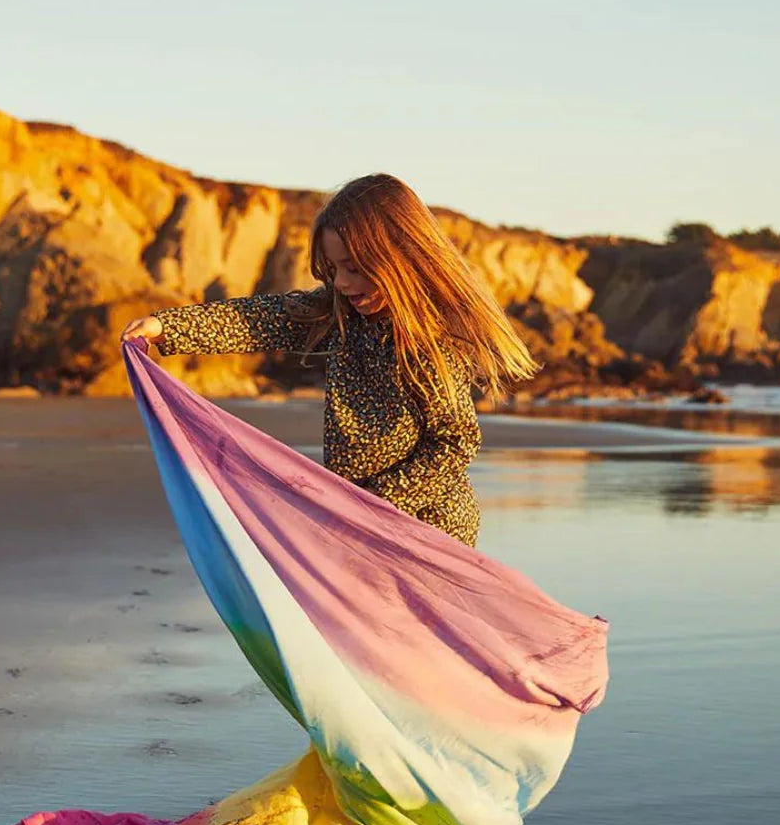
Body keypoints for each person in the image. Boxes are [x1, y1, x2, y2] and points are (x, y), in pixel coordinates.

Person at [121, 173, 536, 546]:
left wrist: (378, 503)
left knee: (397, 631)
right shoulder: (343, 312)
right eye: (335, 269)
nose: (341, 282)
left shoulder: (428, 343)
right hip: (360, 517)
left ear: (399, 260)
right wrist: (167, 326)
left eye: (354, 268)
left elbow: (455, 441)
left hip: (428, 529)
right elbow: (264, 319)